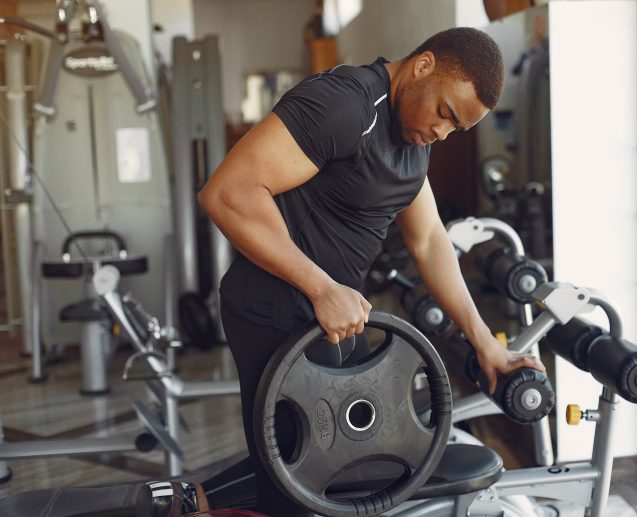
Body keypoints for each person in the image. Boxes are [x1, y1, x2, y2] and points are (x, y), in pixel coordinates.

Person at [198, 26, 546, 516]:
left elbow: (428, 241)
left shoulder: (414, 137)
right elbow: (227, 193)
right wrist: (321, 287)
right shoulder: (344, 107)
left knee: (345, 479)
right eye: (445, 113)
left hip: (336, 319)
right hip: (275, 315)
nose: (443, 132)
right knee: (299, 490)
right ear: (423, 65)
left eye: (456, 129)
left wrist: (486, 342)